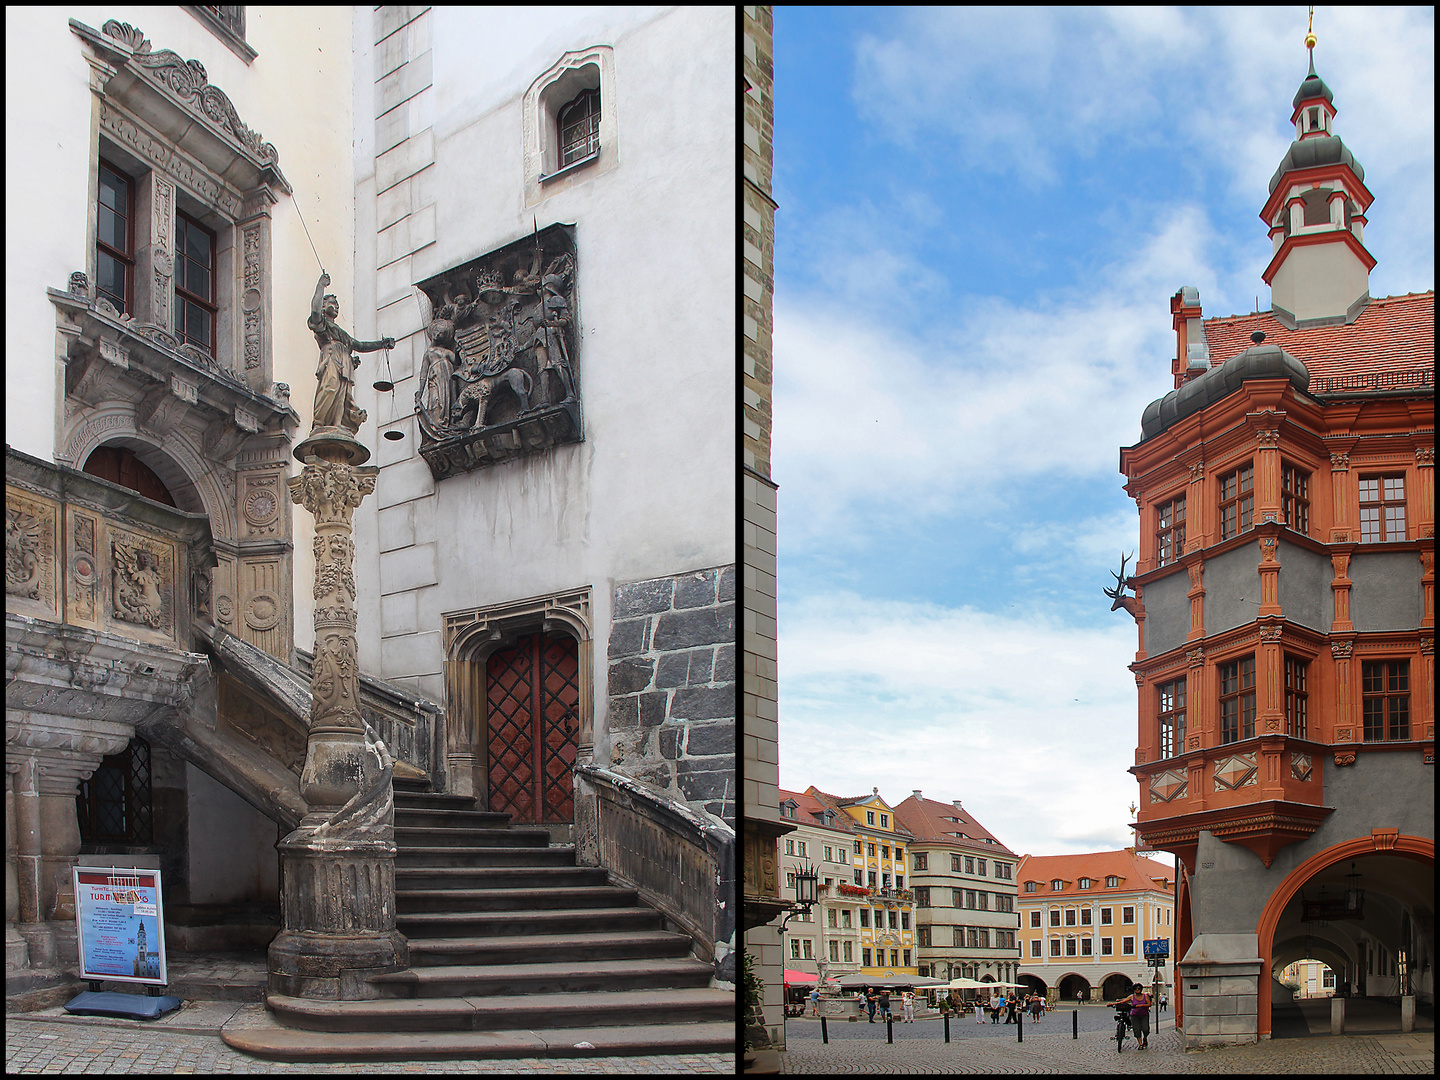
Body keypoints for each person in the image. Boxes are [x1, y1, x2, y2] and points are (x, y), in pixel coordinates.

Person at [307, 272, 395, 435]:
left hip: (345, 360)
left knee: (343, 394)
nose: (337, 306)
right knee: (330, 387)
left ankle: (338, 423)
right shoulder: (323, 325)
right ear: (324, 306)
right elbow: (315, 311)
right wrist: (320, 286)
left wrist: (382, 344)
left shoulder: (342, 333)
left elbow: (360, 345)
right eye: (332, 302)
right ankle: (319, 423)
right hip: (331, 356)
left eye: (338, 304)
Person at [1127, 983, 1152, 1049]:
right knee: (1137, 1029)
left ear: (1141, 989)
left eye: (1139, 988)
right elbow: (1124, 1001)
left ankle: (1145, 1038)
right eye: (1135, 989)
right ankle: (1140, 1044)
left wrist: (1142, 1005)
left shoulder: (1145, 996)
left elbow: (1149, 1004)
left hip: (1144, 1015)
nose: (1137, 990)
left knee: (1145, 1029)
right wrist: (1115, 1003)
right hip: (1134, 1015)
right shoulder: (1132, 996)